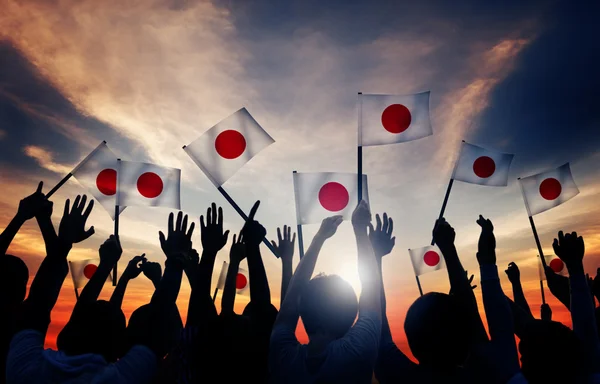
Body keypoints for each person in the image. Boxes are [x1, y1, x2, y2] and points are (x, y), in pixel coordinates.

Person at [269, 200, 381, 383]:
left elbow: (290, 302)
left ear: (302, 309)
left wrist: (319, 238)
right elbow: (372, 287)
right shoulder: (359, 351)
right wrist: (360, 230)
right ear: (352, 313)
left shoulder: (282, 354)